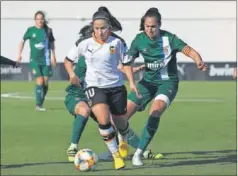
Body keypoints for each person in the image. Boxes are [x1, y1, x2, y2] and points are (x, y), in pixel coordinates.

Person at [123, 7, 207, 166]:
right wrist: (131, 81)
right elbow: (127, 62)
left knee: (154, 113)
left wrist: (198, 61)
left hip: (167, 83)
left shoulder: (170, 39)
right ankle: (122, 144)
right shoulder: (139, 40)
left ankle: (139, 153)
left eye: (153, 26)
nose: (150, 29)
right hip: (147, 83)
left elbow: (190, 51)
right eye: (147, 26)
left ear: (159, 25)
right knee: (120, 119)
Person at [64, 8, 140, 170]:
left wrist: (132, 83)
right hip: (94, 87)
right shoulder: (84, 44)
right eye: (97, 28)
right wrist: (71, 74)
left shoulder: (117, 42)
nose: (100, 31)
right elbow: (68, 60)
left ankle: (123, 138)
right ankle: (116, 156)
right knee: (103, 120)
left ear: (109, 28)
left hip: (116, 87)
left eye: (103, 28)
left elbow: (126, 64)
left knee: (120, 122)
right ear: (93, 28)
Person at [16, 10, 56, 111]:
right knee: (40, 80)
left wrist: (53, 56)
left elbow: (51, 44)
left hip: (46, 61)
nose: (40, 21)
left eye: (41, 19)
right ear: (35, 20)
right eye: (38, 19)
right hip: (35, 61)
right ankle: (38, 106)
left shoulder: (48, 31)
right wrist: (19, 54)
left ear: (44, 20)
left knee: (45, 83)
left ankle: (40, 102)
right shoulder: (30, 30)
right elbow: (22, 42)